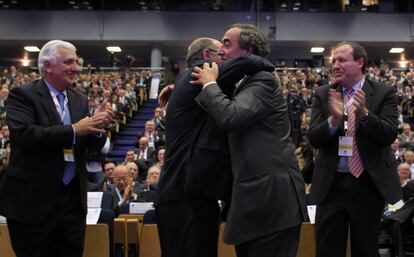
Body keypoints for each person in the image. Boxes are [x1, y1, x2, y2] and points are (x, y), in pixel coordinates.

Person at [191, 24, 307, 257]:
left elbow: (230, 116)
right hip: (253, 203)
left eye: (226, 44)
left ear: (248, 51)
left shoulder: (262, 80)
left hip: (271, 201)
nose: (220, 51)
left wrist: (209, 84)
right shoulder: (242, 84)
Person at [155, 37, 276, 257]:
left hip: (190, 194)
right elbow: (244, 63)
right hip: (183, 196)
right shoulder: (199, 72)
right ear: (206, 56)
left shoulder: (188, 81)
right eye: (219, 51)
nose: (223, 54)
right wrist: (268, 65)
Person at [0, 40, 114, 257]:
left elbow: (89, 145)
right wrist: (74, 129)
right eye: (69, 62)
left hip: (71, 203)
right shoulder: (22, 95)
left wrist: (97, 127)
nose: (75, 67)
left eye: (76, 61)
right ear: (48, 65)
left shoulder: (78, 98)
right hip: (33, 204)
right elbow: (25, 135)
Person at [307, 41, 403, 257]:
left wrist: (365, 115)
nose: (335, 65)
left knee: (366, 250)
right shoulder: (324, 94)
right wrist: (333, 120)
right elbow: (314, 138)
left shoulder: (383, 92)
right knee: (327, 250)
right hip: (331, 187)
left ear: (360, 62)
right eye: (333, 61)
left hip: (368, 187)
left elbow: (389, 134)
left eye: (341, 60)